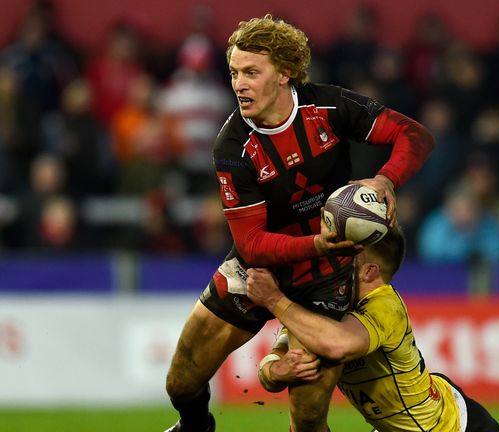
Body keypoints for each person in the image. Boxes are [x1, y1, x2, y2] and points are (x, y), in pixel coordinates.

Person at [164, 14, 435, 432]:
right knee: (181, 383)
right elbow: (252, 244)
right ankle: (196, 426)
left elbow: (414, 135)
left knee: (308, 418)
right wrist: (319, 245)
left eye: (252, 72)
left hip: (327, 279)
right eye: (235, 72)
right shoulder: (233, 146)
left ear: (285, 74)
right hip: (257, 271)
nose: (239, 84)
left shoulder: (328, 107)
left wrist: (386, 179)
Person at [247, 226, 499, 432]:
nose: (335, 263)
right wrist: (277, 371)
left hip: (451, 426)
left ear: (369, 272)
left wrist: (273, 299)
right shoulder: (327, 303)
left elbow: (338, 345)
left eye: (348, 257)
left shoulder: (385, 305)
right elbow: (271, 364)